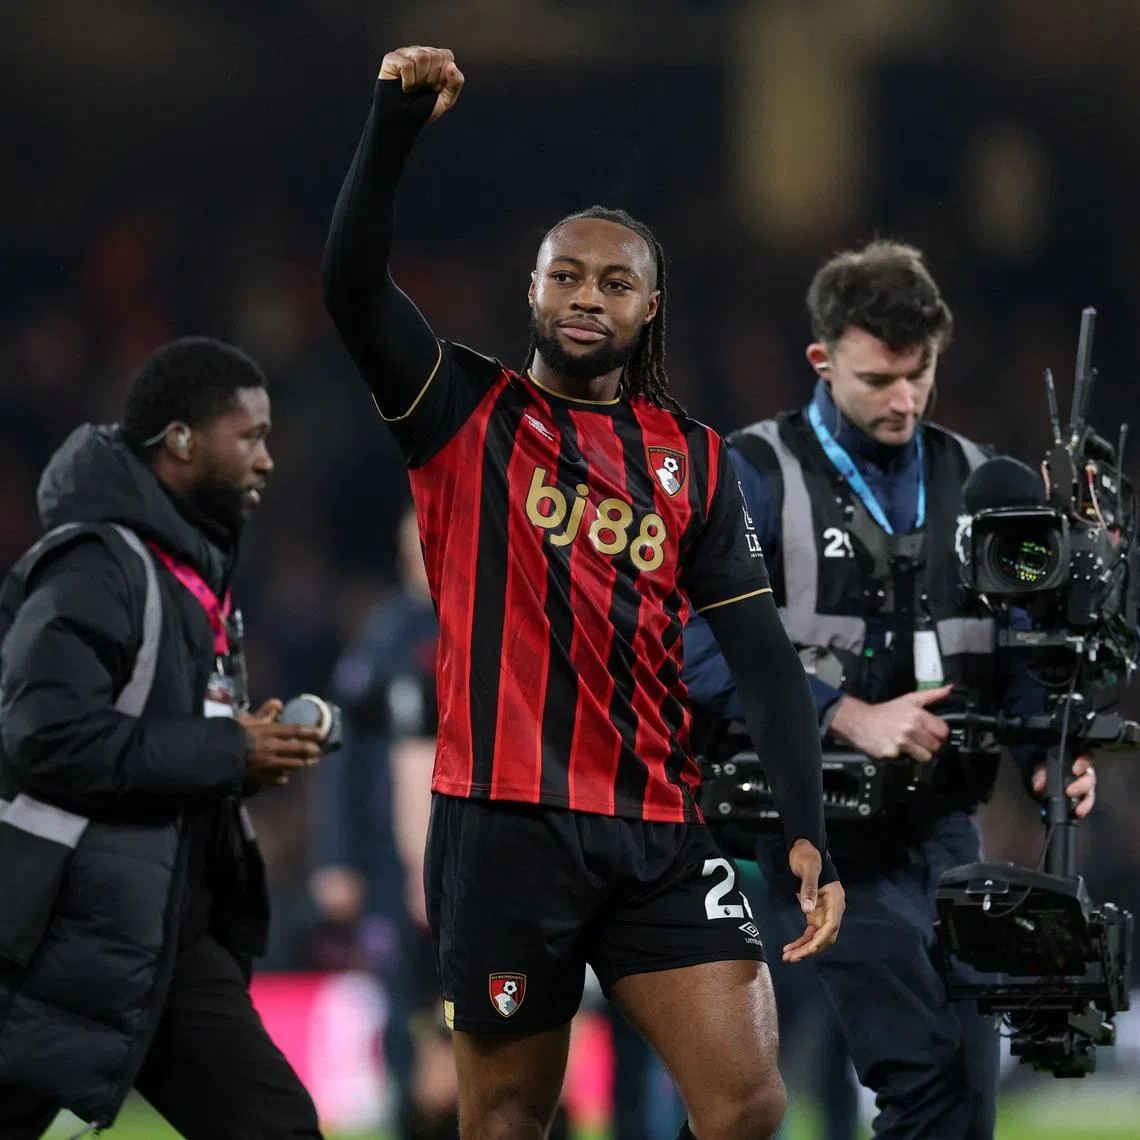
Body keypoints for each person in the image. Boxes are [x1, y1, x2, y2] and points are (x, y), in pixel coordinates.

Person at [321, 44, 845, 1140]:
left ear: (650, 307)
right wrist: (394, 128)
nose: (584, 296)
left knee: (747, 1101)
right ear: (532, 289)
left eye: (613, 281)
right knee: (510, 1119)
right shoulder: (455, 407)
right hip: (504, 828)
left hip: (658, 828)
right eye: (564, 274)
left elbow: (761, 660)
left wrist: (808, 827)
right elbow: (351, 284)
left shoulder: (695, 463)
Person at [683, 241, 1098, 1140]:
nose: (905, 401)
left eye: (921, 375)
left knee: (967, 1091)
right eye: (879, 379)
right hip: (815, 832)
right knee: (917, 1072)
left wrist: (1046, 756)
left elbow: (1028, 646)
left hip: (947, 827)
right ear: (821, 361)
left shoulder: (986, 479)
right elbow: (690, 640)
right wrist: (843, 714)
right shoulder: (753, 474)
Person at [0, 337, 329, 1139]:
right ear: (181, 441)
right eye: (249, 436)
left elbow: (153, 741)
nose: (267, 460)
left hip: (161, 935)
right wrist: (227, 752)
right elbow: (46, 737)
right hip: (57, 936)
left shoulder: (188, 574)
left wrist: (241, 758)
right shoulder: (95, 566)